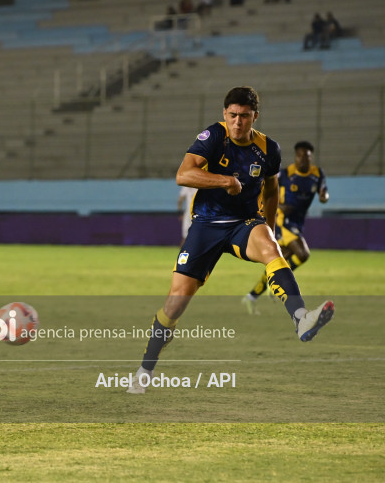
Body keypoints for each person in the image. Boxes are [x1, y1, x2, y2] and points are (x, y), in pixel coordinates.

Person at [127, 87, 334, 395]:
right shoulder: (213, 136)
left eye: (245, 116)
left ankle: (301, 317)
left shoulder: (269, 149)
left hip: (244, 223)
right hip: (206, 226)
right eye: (233, 115)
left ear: (255, 116)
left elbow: (272, 190)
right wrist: (224, 180)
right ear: (225, 114)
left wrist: (269, 227)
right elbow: (183, 175)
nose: (238, 122)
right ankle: (145, 370)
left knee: (271, 249)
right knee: (175, 304)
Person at [241, 141, 328, 314]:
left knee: (278, 261)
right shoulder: (286, 174)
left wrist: (324, 196)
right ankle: (277, 285)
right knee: (303, 253)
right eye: (300, 156)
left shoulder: (317, 174)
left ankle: (251, 297)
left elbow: (324, 192)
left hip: (298, 222)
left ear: (311, 157)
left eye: (307, 156)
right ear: (296, 157)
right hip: (283, 221)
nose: (303, 159)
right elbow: (266, 190)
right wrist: (279, 206)